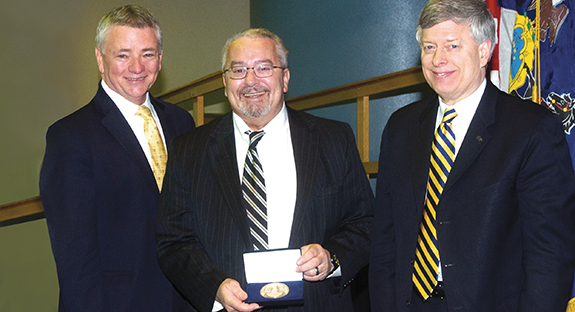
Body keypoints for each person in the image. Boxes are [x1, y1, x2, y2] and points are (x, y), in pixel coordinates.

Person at [369, 0, 575, 311]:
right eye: (429, 47)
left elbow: (550, 255)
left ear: (483, 51)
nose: (438, 59)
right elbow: (386, 240)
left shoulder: (532, 129)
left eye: (452, 45)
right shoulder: (400, 128)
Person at [155, 28, 374, 312]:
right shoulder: (188, 151)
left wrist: (332, 258)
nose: (250, 81)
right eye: (238, 70)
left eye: (263, 68)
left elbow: (365, 223)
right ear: (225, 83)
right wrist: (214, 288)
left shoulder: (333, 139)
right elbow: (173, 241)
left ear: (285, 78)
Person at [39, 5, 194, 311]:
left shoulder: (181, 122)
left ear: (160, 58)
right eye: (123, 55)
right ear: (100, 58)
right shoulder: (70, 137)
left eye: (147, 54)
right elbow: (76, 260)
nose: (137, 67)